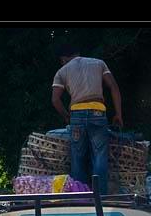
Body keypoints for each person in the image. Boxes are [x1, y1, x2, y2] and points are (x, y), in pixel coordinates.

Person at [51, 44, 123, 196]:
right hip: (98, 113)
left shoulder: (62, 71)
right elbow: (114, 87)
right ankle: (100, 198)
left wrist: (66, 116)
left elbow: (55, 100)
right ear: (78, 53)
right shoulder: (98, 63)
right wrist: (118, 114)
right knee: (100, 157)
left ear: (63, 59)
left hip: (76, 115)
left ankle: (80, 198)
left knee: (77, 158)